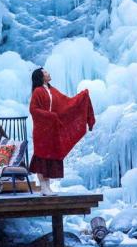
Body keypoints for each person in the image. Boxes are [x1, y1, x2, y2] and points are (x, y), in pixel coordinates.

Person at [29, 68, 95, 196]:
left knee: (49, 157)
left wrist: (82, 97)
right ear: (41, 76)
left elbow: (66, 103)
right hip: (42, 131)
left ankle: (48, 187)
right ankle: (43, 187)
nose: (49, 73)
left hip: (51, 131)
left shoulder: (52, 90)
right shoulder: (38, 91)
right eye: (46, 72)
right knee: (41, 158)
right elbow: (33, 109)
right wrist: (50, 116)